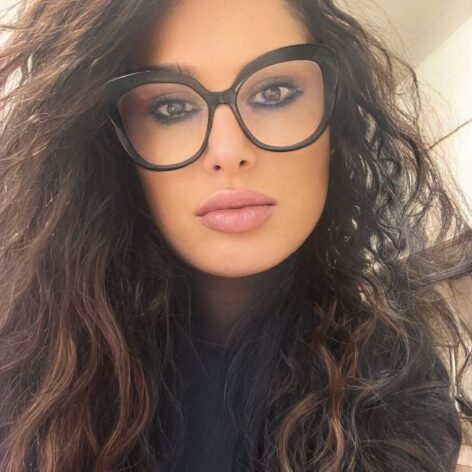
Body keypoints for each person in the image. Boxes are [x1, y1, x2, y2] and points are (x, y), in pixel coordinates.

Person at [0, 0, 471, 470]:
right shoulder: (25, 368)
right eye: (171, 107)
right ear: (114, 146)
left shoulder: (398, 376)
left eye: (274, 93)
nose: (228, 151)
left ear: (334, 123)